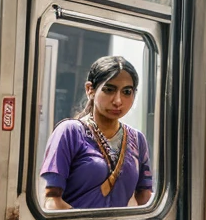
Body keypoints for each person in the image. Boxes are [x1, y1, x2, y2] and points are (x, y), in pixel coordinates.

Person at [41, 55, 154, 210]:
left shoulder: (137, 139)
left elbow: (145, 197)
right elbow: (51, 201)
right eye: (109, 90)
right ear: (90, 90)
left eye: (127, 92)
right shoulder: (70, 132)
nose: (118, 101)